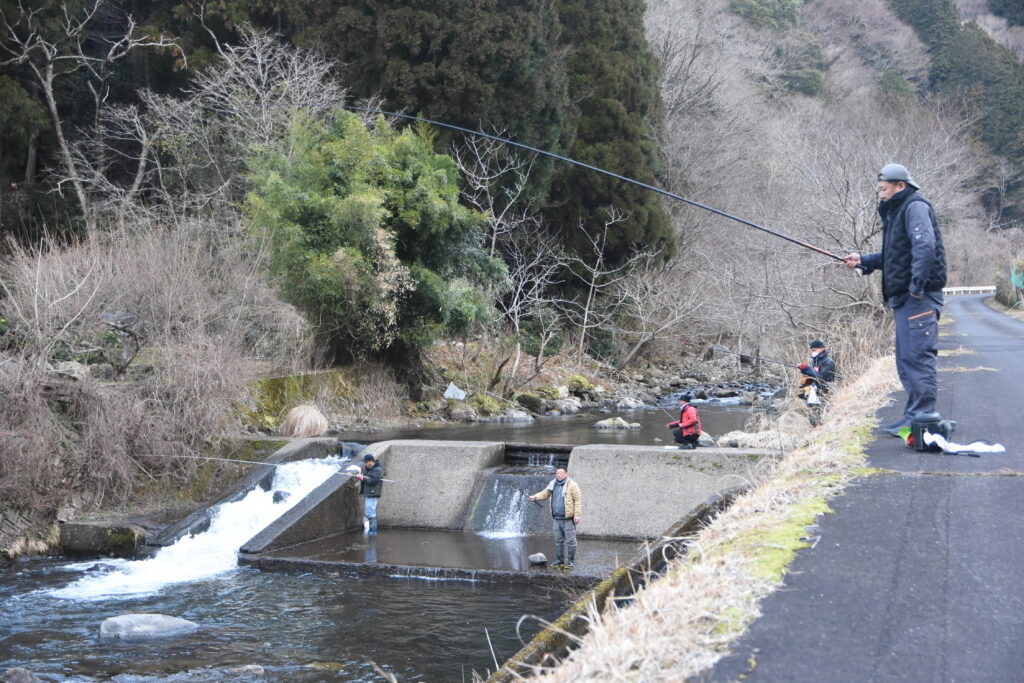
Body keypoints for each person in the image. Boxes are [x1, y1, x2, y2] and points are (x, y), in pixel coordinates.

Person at [843, 163, 946, 435]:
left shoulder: (914, 207)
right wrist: (863, 260)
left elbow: (925, 246)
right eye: (878, 190)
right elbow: (895, 256)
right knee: (906, 361)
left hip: (917, 299)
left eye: (883, 189)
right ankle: (914, 417)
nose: (881, 194)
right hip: (904, 300)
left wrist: (916, 288)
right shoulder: (898, 211)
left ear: (901, 186)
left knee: (917, 360)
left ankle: (923, 420)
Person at [528, 467, 582, 569]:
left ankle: (570, 562)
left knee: (571, 541)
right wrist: (535, 497)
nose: (558, 475)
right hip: (556, 518)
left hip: (568, 519)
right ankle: (560, 561)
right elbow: (544, 493)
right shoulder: (553, 484)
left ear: (566, 474)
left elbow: (578, 500)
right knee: (558, 540)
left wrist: (577, 515)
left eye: (560, 473)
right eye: (557, 473)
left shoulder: (572, 485)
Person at [356, 453, 384, 535]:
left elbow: (373, 481)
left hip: (373, 493)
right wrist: (362, 476)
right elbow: (366, 477)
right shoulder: (369, 469)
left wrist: (363, 478)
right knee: (369, 511)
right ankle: (372, 531)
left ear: (370, 461)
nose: (364, 463)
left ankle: (373, 531)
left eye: (366, 462)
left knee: (370, 511)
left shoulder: (377, 470)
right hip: (369, 493)